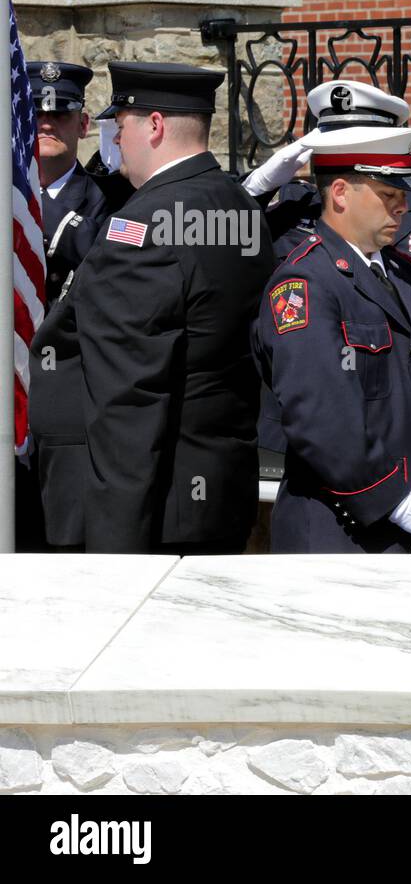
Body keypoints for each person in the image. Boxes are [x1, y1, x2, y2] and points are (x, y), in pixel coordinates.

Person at [28, 61, 275, 553]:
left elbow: (129, 399)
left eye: (121, 128)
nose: (115, 143)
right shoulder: (235, 205)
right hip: (211, 492)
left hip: (150, 512)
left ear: (155, 126)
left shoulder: (144, 227)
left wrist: (115, 548)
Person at [244, 79, 411, 549]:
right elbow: (319, 418)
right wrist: (391, 500)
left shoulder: (409, 276)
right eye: (388, 192)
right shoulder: (304, 285)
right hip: (342, 534)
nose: (405, 203)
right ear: (340, 193)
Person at [26, 61, 111, 301]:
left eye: (60, 113)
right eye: (35, 113)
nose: (45, 124)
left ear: (83, 125)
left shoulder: (107, 199)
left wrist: (31, 197)